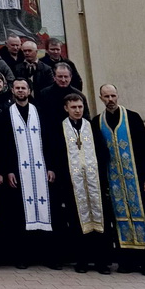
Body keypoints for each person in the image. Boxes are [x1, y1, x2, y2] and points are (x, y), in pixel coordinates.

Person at [94, 83, 145, 274]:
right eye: (106, 96)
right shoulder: (97, 122)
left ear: (117, 96)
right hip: (114, 181)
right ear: (101, 98)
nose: (110, 100)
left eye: (113, 95)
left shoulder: (132, 117)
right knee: (119, 219)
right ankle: (127, 261)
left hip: (136, 179)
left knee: (143, 218)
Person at [1, 77, 57, 268]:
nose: (20, 91)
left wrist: (51, 166)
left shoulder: (40, 112)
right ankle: (23, 257)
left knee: (47, 211)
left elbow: (49, 141)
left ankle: (49, 256)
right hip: (19, 172)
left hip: (41, 170)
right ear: (12, 90)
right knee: (20, 214)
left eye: (23, 88)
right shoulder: (6, 114)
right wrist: (9, 170)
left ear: (29, 90)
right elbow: (4, 145)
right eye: (17, 88)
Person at [52, 93, 110, 273]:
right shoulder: (60, 128)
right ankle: (82, 261)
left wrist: (100, 176)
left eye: (80, 107)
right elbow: (56, 156)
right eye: (73, 107)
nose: (77, 110)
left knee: (100, 219)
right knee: (76, 221)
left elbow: (103, 152)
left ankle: (102, 262)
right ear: (66, 108)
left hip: (94, 182)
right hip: (73, 184)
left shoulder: (91, 127)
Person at [38, 63, 90, 127]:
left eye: (66, 76)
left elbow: (86, 119)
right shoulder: (44, 94)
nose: (63, 80)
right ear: (54, 77)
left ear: (70, 77)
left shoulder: (79, 95)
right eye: (60, 76)